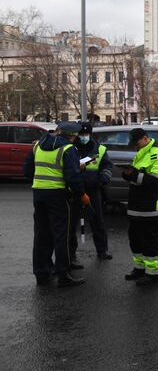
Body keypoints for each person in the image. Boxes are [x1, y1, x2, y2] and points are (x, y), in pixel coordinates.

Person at [23, 121, 89, 287]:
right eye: (75, 136)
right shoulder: (68, 149)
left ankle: (42, 273)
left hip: (38, 193)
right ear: (71, 136)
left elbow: (27, 171)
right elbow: (72, 178)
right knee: (61, 235)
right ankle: (63, 274)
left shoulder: (38, 146)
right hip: (58, 196)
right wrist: (81, 194)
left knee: (41, 235)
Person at [121, 128, 158, 286]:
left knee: (149, 240)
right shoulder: (143, 151)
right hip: (137, 204)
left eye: (136, 143)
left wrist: (134, 175)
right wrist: (127, 174)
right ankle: (139, 269)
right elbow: (139, 175)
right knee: (135, 238)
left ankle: (153, 275)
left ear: (145, 138)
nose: (135, 147)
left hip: (150, 205)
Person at [69, 122, 113, 260]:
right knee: (71, 223)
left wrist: (103, 179)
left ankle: (102, 251)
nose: (84, 137)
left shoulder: (99, 149)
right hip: (74, 190)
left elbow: (107, 167)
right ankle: (71, 253)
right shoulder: (70, 148)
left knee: (97, 221)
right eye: (81, 134)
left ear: (90, 134)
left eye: (86, 134)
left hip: (93, 189)